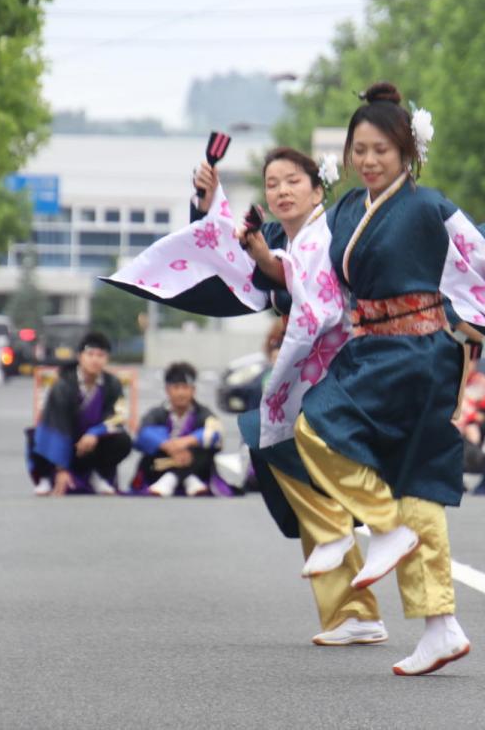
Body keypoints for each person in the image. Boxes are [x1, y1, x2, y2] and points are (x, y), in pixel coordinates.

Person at [286, 82, 485, 675]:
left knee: (325, 429)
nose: (368, 159)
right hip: (372, 350)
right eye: (359, 148)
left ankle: (386, 532)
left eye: (381, 147)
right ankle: (441, 623)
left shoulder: (429, 207)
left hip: (415, 354)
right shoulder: (345, 211)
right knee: (406, 483)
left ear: (406, 150)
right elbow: (308, 272)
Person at [106, 147, 387, 647]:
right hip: (310, 366)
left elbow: (310, 298)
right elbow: (233, 251)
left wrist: (269, 269)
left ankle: (377, 549)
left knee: (284, 449)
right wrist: (211, 199)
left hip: (343, 368)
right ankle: (352, 613)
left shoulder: (328, 234)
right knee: (294, 472)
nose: (281, 190)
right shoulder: (282, 236)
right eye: (272, 182)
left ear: (318, 189)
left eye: (292, 181)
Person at [25, 331, 132, 496]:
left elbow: (118, 416)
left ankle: (95, 474)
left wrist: (95, 433)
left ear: (107, 359)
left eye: (101, 355)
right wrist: (61, 468)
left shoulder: (112, 384)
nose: (95, 360)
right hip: (63, 438)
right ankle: (47, 476)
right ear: (80, 356)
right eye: (90, 354)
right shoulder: (63, 385)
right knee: (39, 435)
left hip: (90, 443)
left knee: (122, 441)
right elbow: (58, 424)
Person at [132, 362, 227, 497]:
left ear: (193, 390)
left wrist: (186, 441)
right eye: (176, 387)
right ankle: (189, 480)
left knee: (202, 450)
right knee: (152, 448)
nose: (181, 393)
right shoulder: (157, 413)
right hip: (162, 464)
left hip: (193, 462)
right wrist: (167, 445)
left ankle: (171, 479)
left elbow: (216, 433)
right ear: (167, 390)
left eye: (185, 387)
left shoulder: (203, 413)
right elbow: (143, 433)